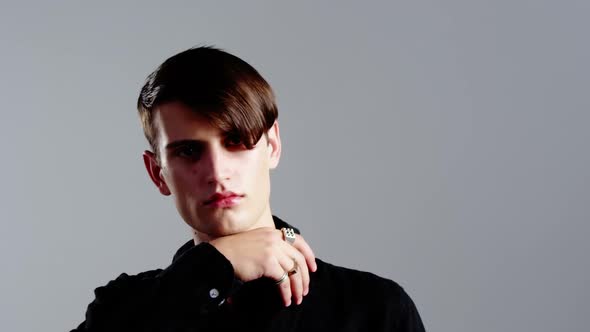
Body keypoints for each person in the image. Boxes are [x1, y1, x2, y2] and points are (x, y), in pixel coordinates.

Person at [72, 46, 426, 331]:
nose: (216, 172)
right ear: (158, 173)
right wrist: (216, 266)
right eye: (189, 150)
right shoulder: (120, 312)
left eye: (236, 141)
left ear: (272, 146)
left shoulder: (374, 310)